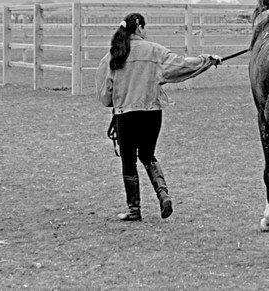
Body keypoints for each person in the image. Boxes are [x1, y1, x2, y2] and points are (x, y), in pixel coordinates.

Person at [95, 12, 222, 222]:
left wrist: (120, 98)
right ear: (139, 28)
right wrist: (207, 60)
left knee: (129, 162)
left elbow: (105, 95)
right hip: (152, 113)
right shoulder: (154, 50)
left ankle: (134, 210)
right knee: (147, 155)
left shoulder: (113, 55)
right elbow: (181, 65)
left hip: (125, 116)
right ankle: (163, 195)